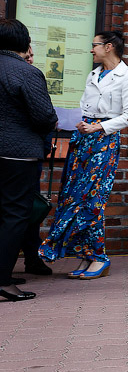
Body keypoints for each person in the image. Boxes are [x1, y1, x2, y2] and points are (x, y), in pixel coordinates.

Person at [39, 31, 128, 279]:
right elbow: (87, 107)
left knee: (93, 200)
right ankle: (86, 255)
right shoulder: (94, 74)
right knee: (73, 196)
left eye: (94, 45)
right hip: (83, 141)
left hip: (104, 143)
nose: (91, 50)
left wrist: (98, 127)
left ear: (108, 47)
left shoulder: (127, 77)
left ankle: (98, 257)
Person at [0, 19, 57, 301]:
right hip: (16, 154)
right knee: (14, 215)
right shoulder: (26, 73)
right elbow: (44, 116)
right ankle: (2, 281)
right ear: (23, 42)